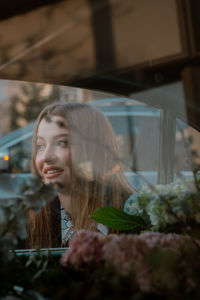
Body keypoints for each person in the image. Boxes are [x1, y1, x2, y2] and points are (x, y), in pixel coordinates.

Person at [28, 102, 134, 248]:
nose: (46, 157)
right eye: (40, 146)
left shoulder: (133, 214)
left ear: (94, 150)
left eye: (62, 143)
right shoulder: (31, 219)